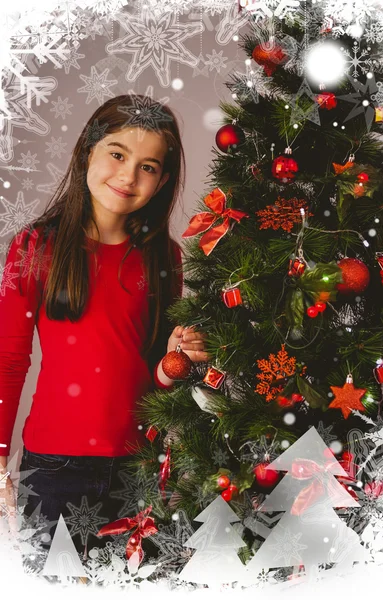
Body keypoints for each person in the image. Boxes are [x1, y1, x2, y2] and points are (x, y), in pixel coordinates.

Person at [0, 94, 209, 558]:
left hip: (138, 467)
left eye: (148, 166)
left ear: (163, 180)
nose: (128, 176)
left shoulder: (164, 257)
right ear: (87, 152)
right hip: (54, 468)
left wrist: (175, 361)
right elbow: (10, 360)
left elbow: (152, 370)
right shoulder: (36, 247)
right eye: (117, 153)